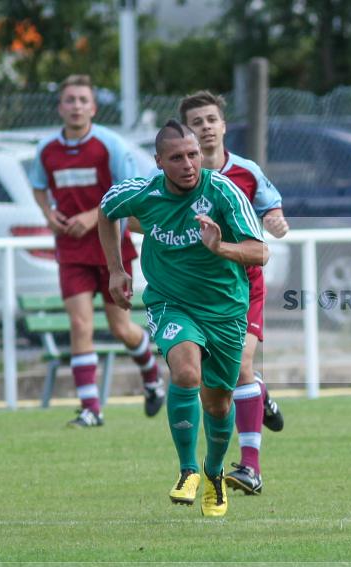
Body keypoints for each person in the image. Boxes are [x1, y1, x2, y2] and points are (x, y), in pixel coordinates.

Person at [98, 120, 268, 516]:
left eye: (193, 155)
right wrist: (116, 269)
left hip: (224, 309)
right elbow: (106, 211)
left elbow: (260, 252)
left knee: (219, 404)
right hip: (170, 302)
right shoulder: (142, 192)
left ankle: (213, 473)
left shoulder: (223, 191)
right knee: (186, 372)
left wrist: (220, 247)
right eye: (176, 158)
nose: (188, 164)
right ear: (159, 161)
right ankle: (187, 469)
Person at [29, 74, 165, 427]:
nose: (76, 106)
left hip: (111, 249)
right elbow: (38, 186)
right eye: (69, 100)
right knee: (79, 324)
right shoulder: (47, 150)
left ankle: (152, 376)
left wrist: (93, 217)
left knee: (121, 328)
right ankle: (91, 408)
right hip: (71, 250)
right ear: (60, 107)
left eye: (82, 100)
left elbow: (130, 192)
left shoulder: (110, 145)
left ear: (93, 107)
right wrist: (49, 214)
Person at [179, 90, 289, 497]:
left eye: (211, 120)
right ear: (185, 133)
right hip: (199, 290)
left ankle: (251, 468)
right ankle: (260, 394)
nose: (206, 128)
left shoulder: (246, 171)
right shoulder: (178, 178)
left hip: (244, 286)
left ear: (223, 126)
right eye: (197, 122)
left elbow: (271, 207)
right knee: (221, 381)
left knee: (240, 367)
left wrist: (275, 219)